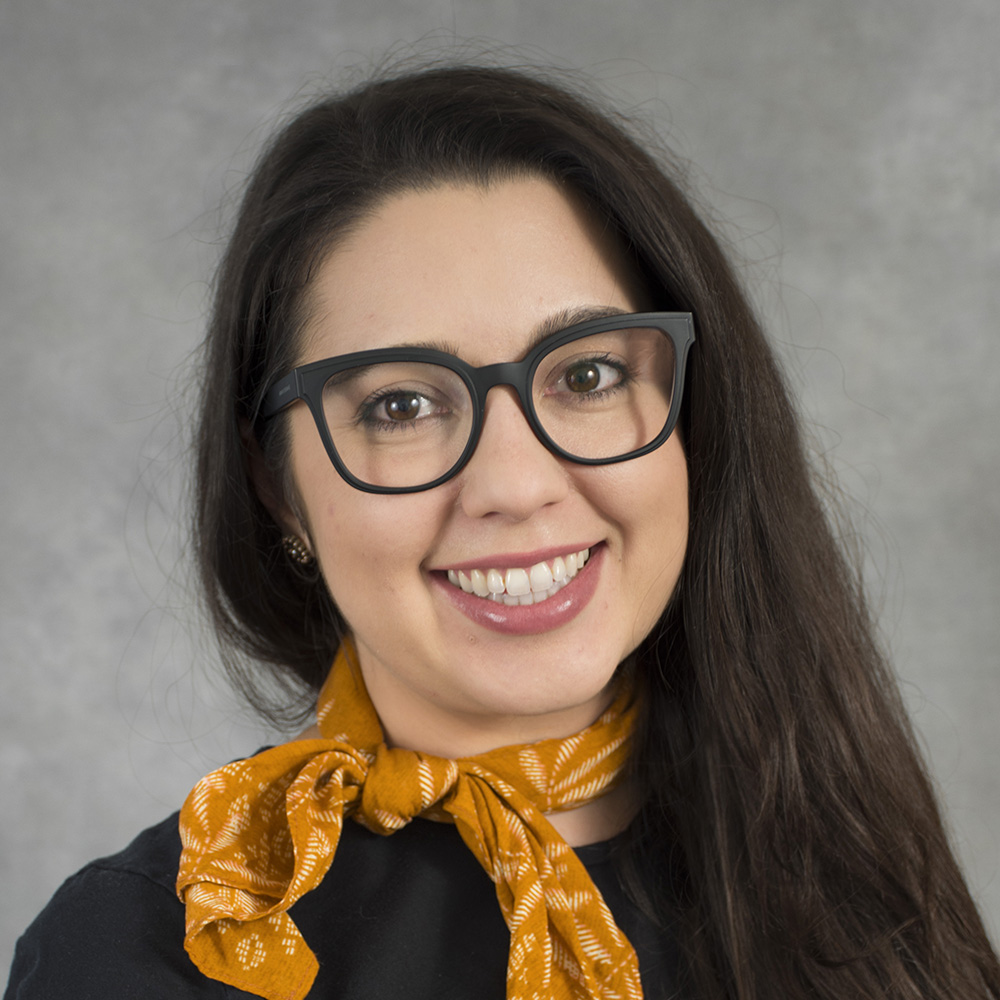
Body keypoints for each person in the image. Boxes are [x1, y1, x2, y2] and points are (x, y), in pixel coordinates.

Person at [5, 62, 999, 1000]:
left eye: (587, 374)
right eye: (400, 404)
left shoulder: (856, 864)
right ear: (276, 487)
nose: (516, 485)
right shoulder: (145, 952)